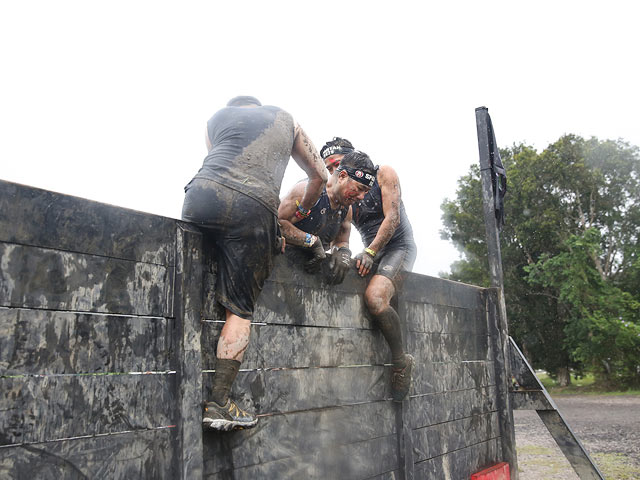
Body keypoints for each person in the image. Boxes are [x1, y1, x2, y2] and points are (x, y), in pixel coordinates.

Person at [182, 96, 327, 430]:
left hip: (198, 196)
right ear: (258, 106)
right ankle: (219, 402)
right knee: (240, 311)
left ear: (236, 108)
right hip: (251, 205)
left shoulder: (215, 119)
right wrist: (301, 212)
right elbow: (318, 174)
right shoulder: (286, 119)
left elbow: (220, 164)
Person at [324, 139, 417, 402]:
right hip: (371, 252)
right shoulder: (338, 190)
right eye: (328, 166)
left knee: (375, 298)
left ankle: (401, 361)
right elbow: (334, 230)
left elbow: (393, 217)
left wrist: (371, 252)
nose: (332, 169)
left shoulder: (382, 173)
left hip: (398, 247)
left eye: (336, 163)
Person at [278, 149, 376, 284]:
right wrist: (311, 241)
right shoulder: (305, 191)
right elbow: (278, 223)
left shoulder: (346, 209)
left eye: (366, 191)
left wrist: (343, 253)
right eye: (359, 188)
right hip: (280, 263)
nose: (361, 197)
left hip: (308, 271)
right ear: (342, 176)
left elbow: (341, 241)